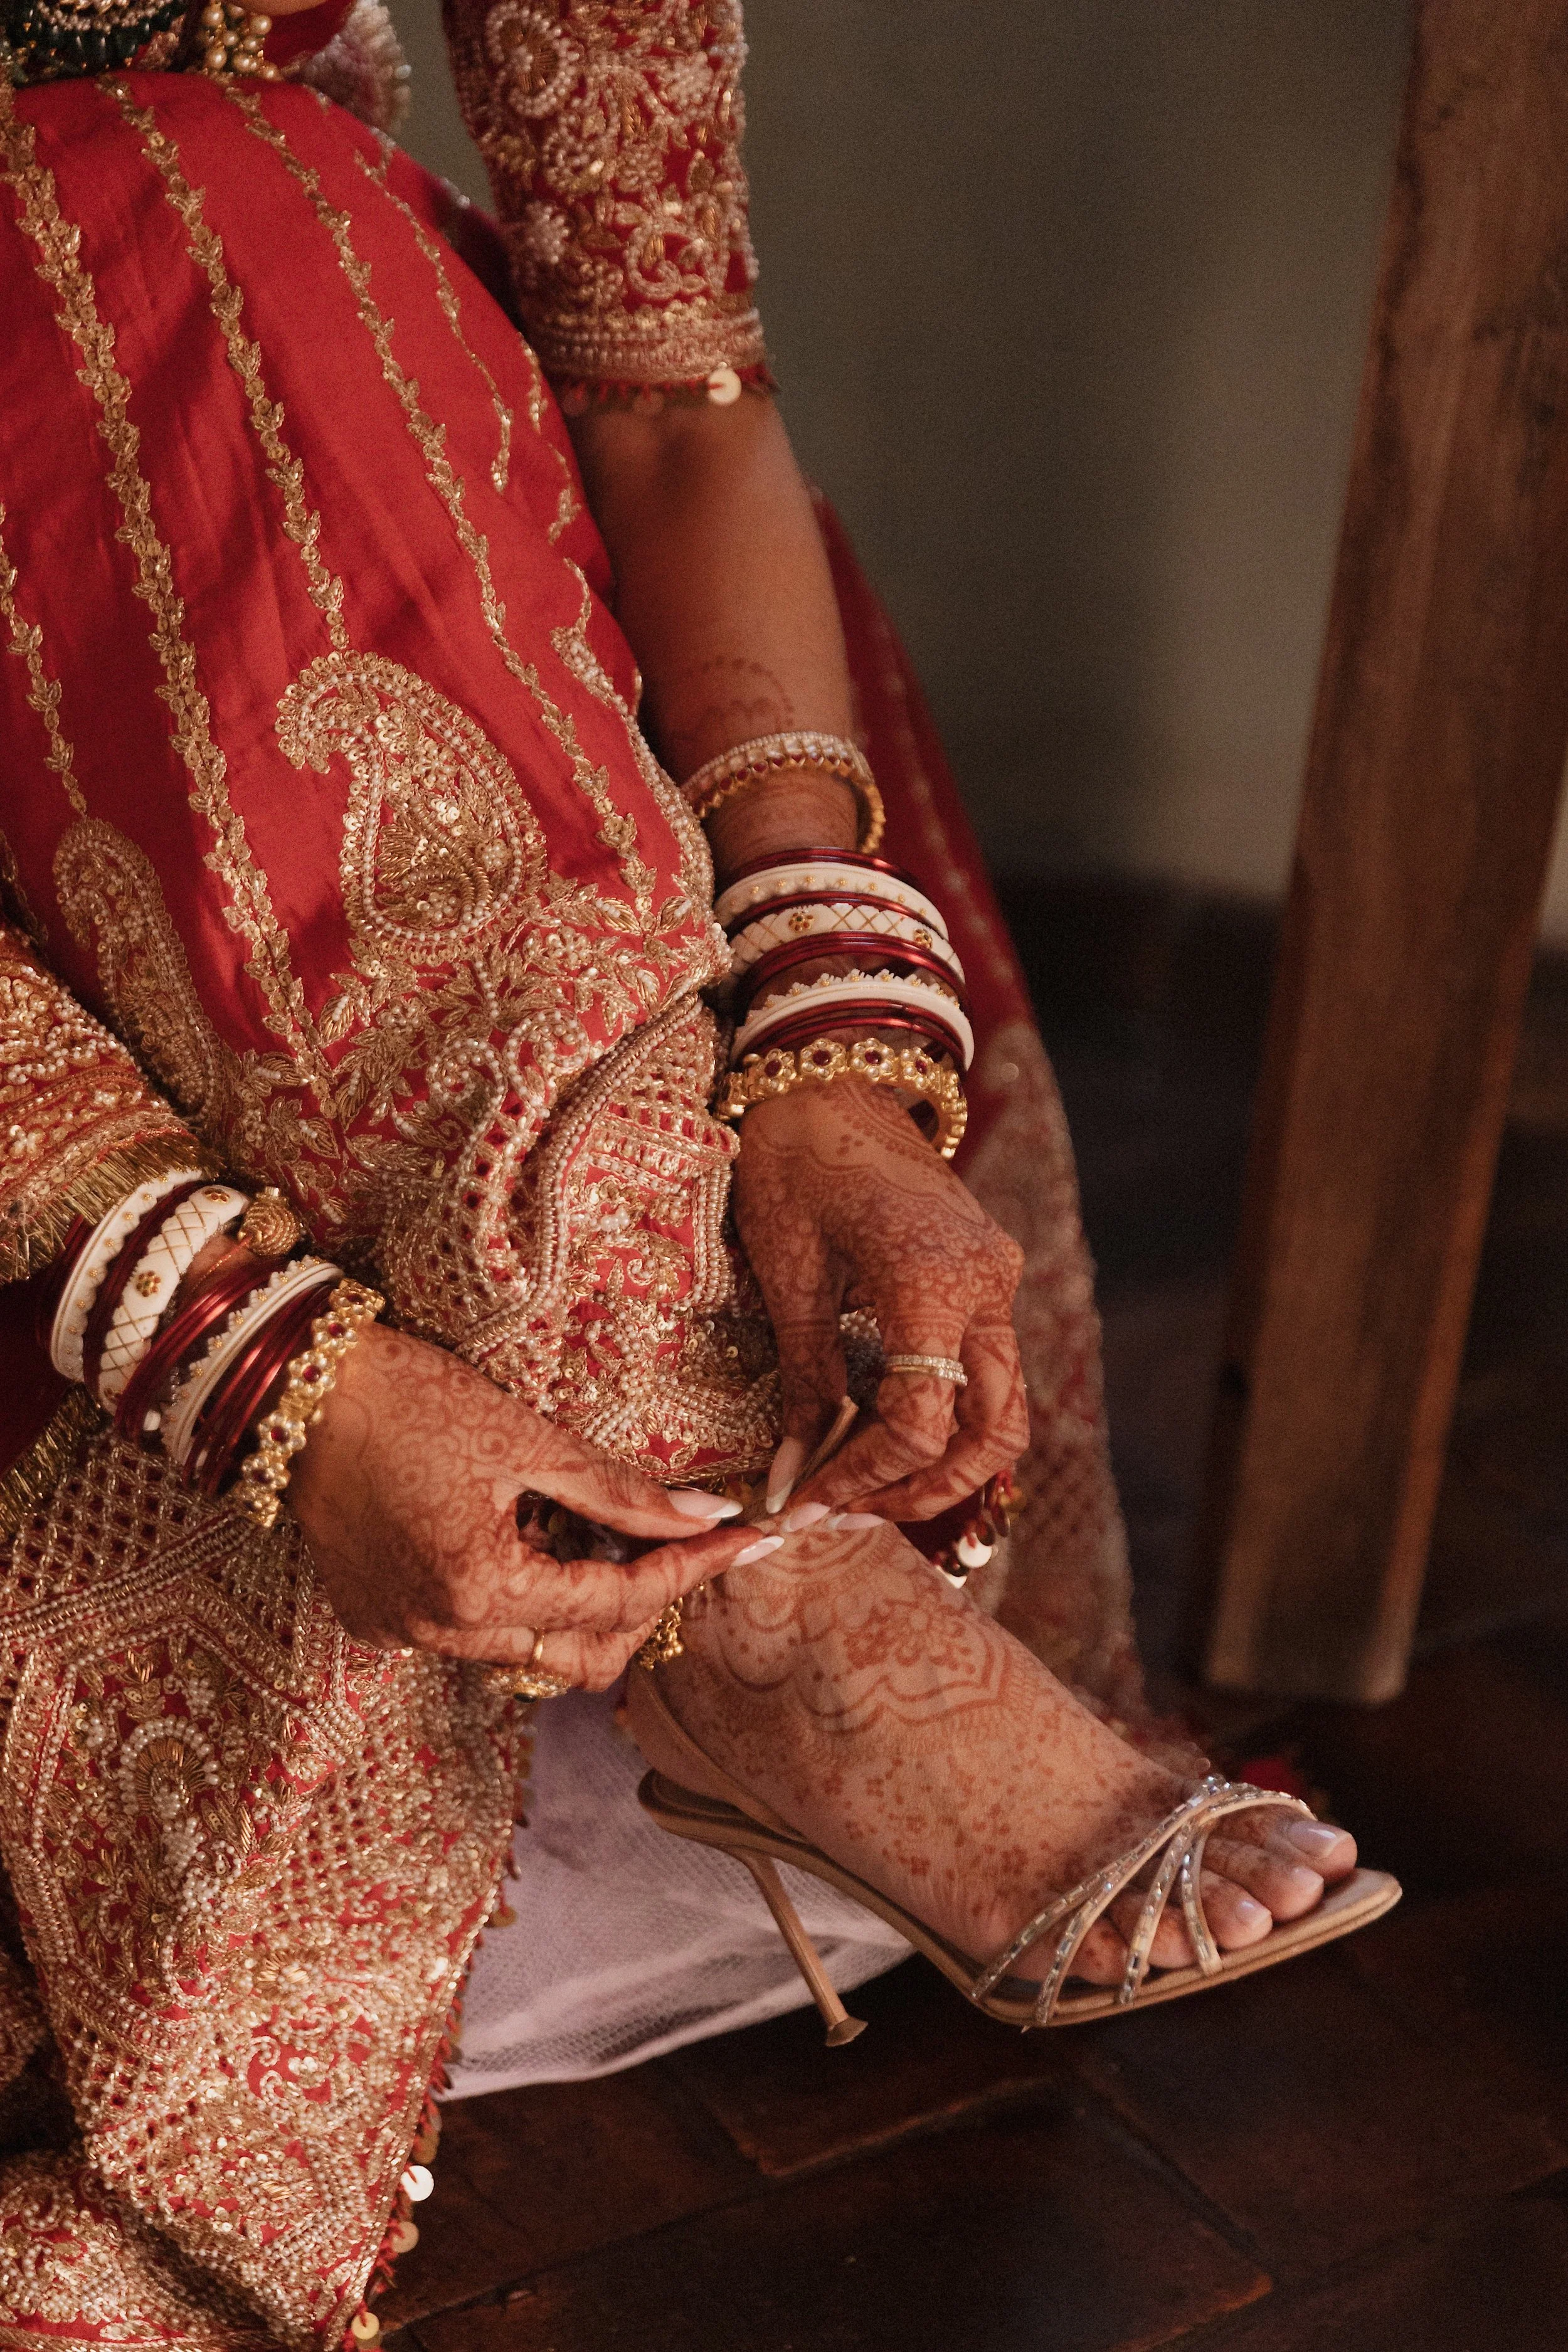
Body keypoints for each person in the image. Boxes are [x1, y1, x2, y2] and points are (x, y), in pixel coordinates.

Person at [0, 1, 1396, 2336]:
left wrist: (834, 1067)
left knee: (271, 271)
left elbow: (668, 392)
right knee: (144, 217)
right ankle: (761, 1587)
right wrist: (283, 1379)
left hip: (292, 552)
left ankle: (730, 1560)